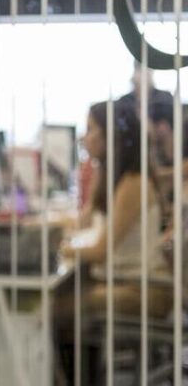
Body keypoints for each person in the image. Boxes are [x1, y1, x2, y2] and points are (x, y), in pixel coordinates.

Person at [54, 100, 171, 382]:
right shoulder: (112, 176)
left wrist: (60, 248)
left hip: (145, 290)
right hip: (127, 280)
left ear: (111, 136)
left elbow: (101, 251)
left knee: (56, 308)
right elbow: (83, 221)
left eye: (91, 129)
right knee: (62, 300)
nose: (85, 137)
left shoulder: (133, 183)